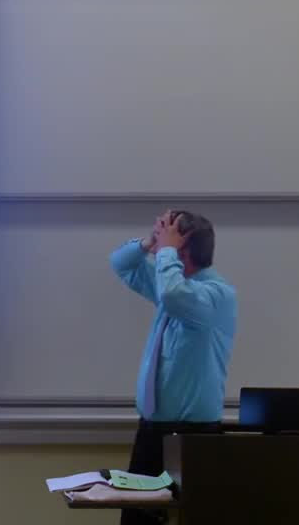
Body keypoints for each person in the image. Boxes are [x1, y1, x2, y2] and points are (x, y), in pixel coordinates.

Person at [109, 210, 236, 525]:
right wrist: (149, 243)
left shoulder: (215, 295)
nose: (162, 245)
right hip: (153, 430)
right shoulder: (173, 284)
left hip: (194, 438)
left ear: (184, 250)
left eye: (169, 240)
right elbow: (121, 264)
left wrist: (166, 252)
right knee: (137, 519)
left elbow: (173, 294)